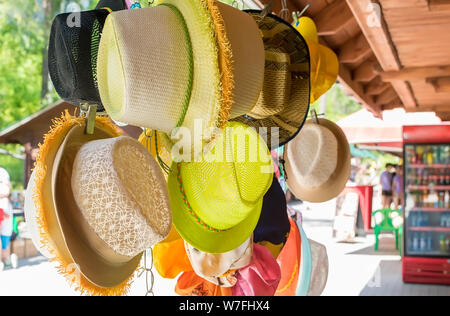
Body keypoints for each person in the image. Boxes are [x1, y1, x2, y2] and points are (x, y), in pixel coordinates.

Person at [0, 167, 18, 271]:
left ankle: (6, 259)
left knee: (5, 235)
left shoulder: (3, 171)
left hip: (4, 206)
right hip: (3, 206)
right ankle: (4, 260)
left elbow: (7, 190)